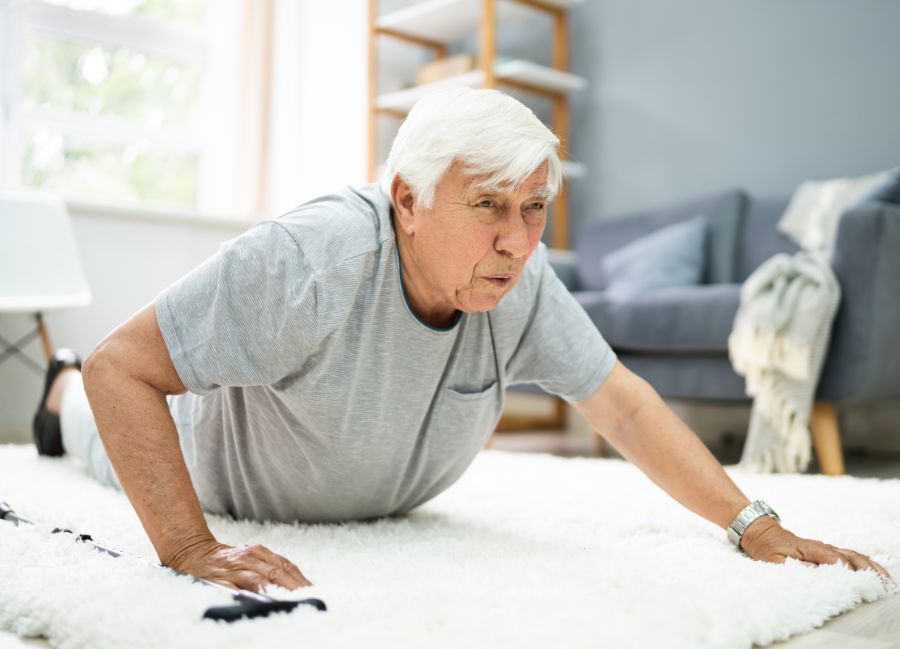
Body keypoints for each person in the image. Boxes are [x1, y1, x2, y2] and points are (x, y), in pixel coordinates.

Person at [33, 87, 893, 595]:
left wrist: (756, 525)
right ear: (407, 199)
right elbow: (123, 367)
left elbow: (622, 406)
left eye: (533, 208)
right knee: (79, 408)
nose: (517, 240)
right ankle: (51, 390)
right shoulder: (315, 255)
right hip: (201, 455)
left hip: (355, 491)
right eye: (486, 205)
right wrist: (190, 548)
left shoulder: (522, 279)